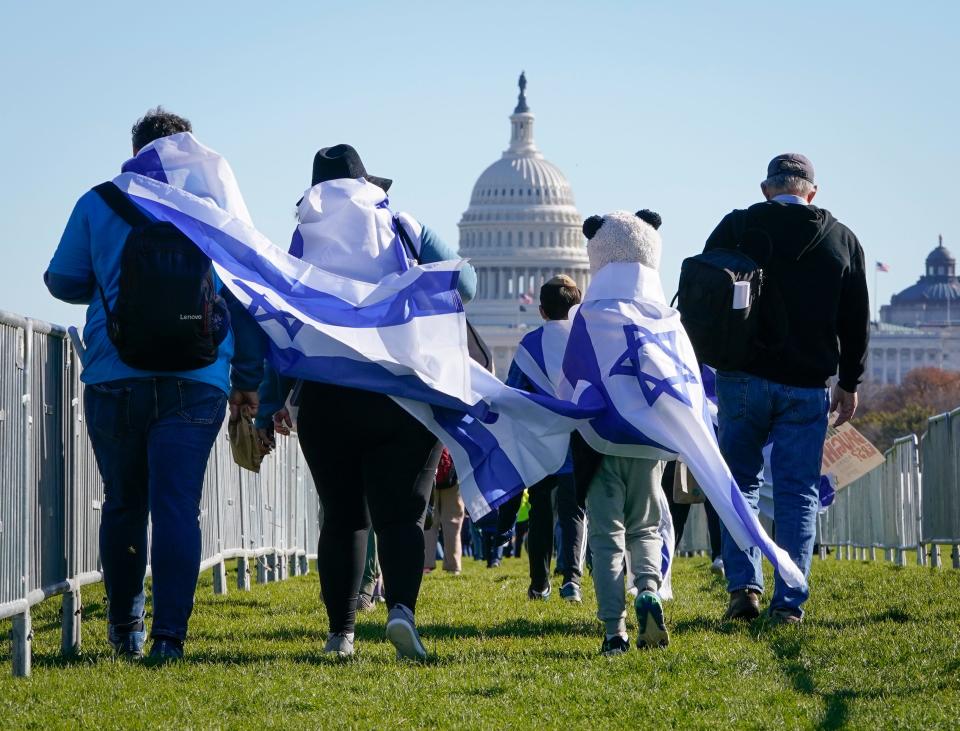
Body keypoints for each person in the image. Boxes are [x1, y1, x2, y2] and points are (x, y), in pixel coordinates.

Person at [44, 108, 265, 662]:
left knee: (123, 503)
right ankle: (169, 637)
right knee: (176, 507)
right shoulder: (214, 209)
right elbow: (245, 295)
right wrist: (247, 381)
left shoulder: (100, 201)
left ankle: (124, 628)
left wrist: (109, 280)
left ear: (136, 149)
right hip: (198, 379)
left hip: (115, 375)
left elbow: (60, 279)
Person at [259, 144, 476, 660]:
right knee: (401, 516)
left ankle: (342, 632)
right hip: (401, 392)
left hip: (329, 396)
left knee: (343, 516)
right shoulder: (400, 223)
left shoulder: (304, 234)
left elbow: (279, 316)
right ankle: (401, 611)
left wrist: (274, 396)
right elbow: (463, 282)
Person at [704, 153, 869, 624]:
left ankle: (744, 587)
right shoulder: (842, 239)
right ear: (812, 192)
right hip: (806, 384)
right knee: (799, 493)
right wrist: (849, 382)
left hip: (741, 379)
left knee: (739, 486)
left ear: (766, 189)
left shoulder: (736, 228)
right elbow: (855, 321)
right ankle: (790, 602)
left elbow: (707, 300)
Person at [572, 209, 673, 655]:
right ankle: (648, 588)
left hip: (599, 441)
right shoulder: (662, 319)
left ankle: (615, 628)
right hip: (647, 441)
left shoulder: (588, 317)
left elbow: (570, 383)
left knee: (605, 535)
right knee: (646, 527)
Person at [498, 275, 588, 602]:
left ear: (541, 310)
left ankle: (539, 582)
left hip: (540, 445)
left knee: (540, 514)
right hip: (578, 443)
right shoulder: (587, 342)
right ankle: (572, 581)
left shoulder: (530, 345)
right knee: (574, 512)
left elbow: (514, 391)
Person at [423, 447, 467, 574]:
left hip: (430, 475)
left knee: (428, 523)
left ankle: (426, 564)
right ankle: (453, 566)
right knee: (453, 524)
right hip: (454, 478)